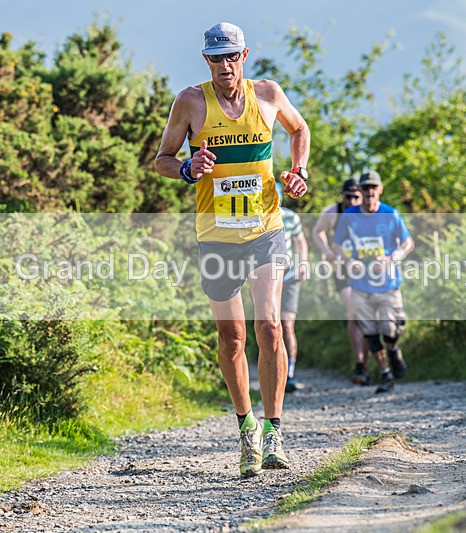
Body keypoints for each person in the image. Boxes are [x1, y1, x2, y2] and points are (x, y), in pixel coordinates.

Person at [154, 22, 310, 477]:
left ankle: (275, 430)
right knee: (233, 338)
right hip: (217, 234)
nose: (225, 66)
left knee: (270, 328)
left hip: (265, 228)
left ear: (245, 56)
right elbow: (162, 159)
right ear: (207, 60)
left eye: (232, 57)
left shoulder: (267, 94)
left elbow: (298, 130)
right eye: (216, 58)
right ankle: (247, 428)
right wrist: (186, 168)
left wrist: (298, 171)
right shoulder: (191, 101)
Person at [332, 171, 414, 393]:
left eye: (373, 187)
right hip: (360, 285)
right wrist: (349, 262)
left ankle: (395, 350)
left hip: (388, 284)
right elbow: (337, 245)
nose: (369, 192)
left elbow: (407, 243)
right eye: (365, 188)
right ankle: (386, 375)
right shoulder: (349, 216)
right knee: (370, 333)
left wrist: (391, 259)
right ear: (361, 190)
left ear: (380, 189)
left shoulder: (391, 214)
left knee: (391, 330)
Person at [311, 178, 371, 384]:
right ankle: (359, 363)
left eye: (357, 197)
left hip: (366, 269)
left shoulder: (367, 211)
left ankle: (368, 362)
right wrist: (327, 253)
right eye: (349, 196)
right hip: (342, 269)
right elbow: (317, 232)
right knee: (354, 309)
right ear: (342, 195)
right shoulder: (332, 212)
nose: (353, 201)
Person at [275, 182, 309, 394]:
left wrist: (303, 263)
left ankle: (289, 374)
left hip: (289, 276)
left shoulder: (290, 217)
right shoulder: (256, 217)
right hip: (266, 278)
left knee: (287, 324)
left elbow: (301, 241)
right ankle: (273, 372)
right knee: (271, 326)